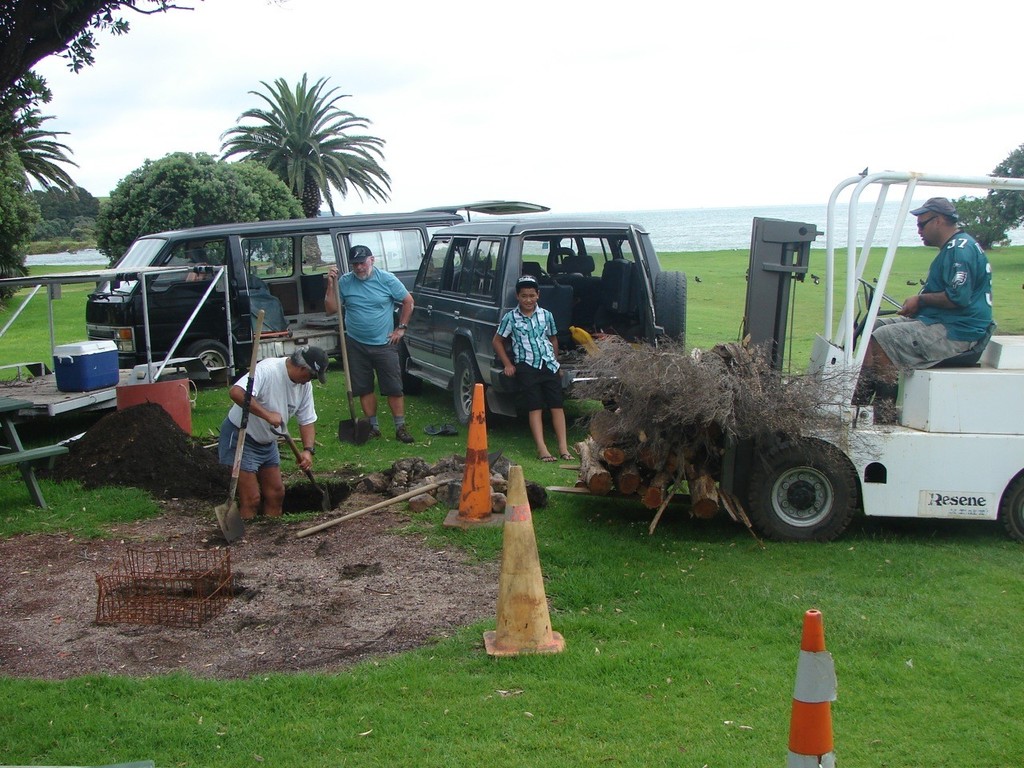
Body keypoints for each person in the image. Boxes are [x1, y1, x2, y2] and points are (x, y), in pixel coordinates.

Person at [861, 196, 993, 401]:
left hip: (958, 333)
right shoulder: (956, 247)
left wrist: (920, 301)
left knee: (885, 337)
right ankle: (859, 402)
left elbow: (958, 297)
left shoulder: (959, 250)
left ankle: (883, 412)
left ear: (938, 220)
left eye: (922, 225)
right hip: (941, 322)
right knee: (871, 327)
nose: (919, 231)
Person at [218, 346, 327, 519]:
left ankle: (272, 538)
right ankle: (247, 541)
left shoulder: (304, 387)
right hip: (242, 436)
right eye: (311, 376)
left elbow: (307, 420)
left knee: (276, 494)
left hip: (267, 442)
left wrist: (308, 450)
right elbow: (236, 392)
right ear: (302, 368)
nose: (310, 381)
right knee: (252, 498)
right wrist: (267, 415)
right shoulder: (268, 370)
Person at [324, 245, 415, 443]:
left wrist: (402, 328)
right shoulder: (345, 282)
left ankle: (400, 428)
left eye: (362, 263)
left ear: (372, 260)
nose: (359, 268)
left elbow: (408, 301)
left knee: (393, 387)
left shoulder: (387, 279)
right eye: (355, 264)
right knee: (364, 388)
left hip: (384, 343)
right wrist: (331, 284)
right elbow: (331, 309)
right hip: (356, 344)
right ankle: (373, 427)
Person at [492, 274, 572, 462]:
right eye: (524, 296)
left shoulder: (546, 315)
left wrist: (555, 361)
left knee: (556, 405)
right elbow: (497, 341)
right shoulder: (511, 318)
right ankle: (542, 448)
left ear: (538, 295)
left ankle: (563, 447)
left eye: (531, 295)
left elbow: (552, 339)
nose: (528, 300)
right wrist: (508, 364)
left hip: (548, 364)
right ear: (517, 297)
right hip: (527, 366)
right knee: (535, 406)